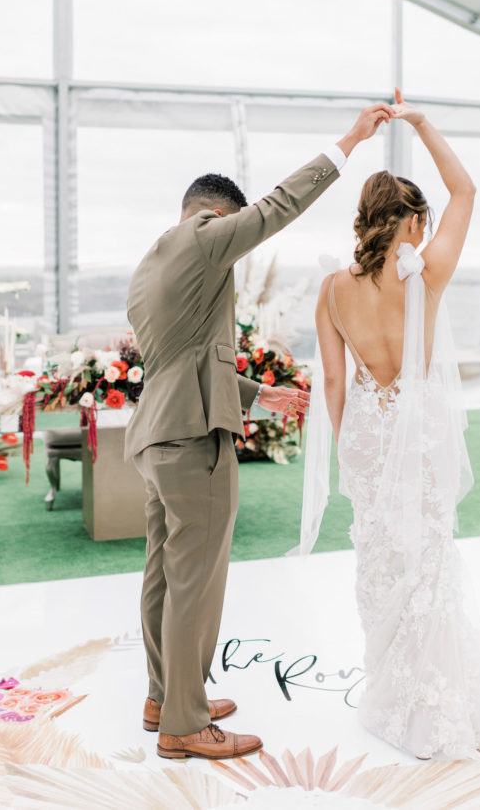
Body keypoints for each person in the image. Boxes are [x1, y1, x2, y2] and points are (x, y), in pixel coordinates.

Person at [307, 89, 480, 773]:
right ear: (410, 222)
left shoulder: (329, 289)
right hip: (419, 432)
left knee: (380, 560)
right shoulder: (425, 273)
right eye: (422, 219)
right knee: (427, 557)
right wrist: (423, 123)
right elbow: (465, 188)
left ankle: (395, 695)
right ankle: (431, 705)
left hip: (368, 439)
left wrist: (353, 448)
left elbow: (335, 383)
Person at [124, 101, 395, 761]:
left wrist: (258, 392)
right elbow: (276, 206)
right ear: (214, 213)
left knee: (164, 569)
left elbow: (179, 360)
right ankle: (184, 723)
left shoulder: (148, 267)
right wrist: (351, 142)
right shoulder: (207, 233)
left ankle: (166, 694)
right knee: (196, 577)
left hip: (156, 438)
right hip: (194, 442)